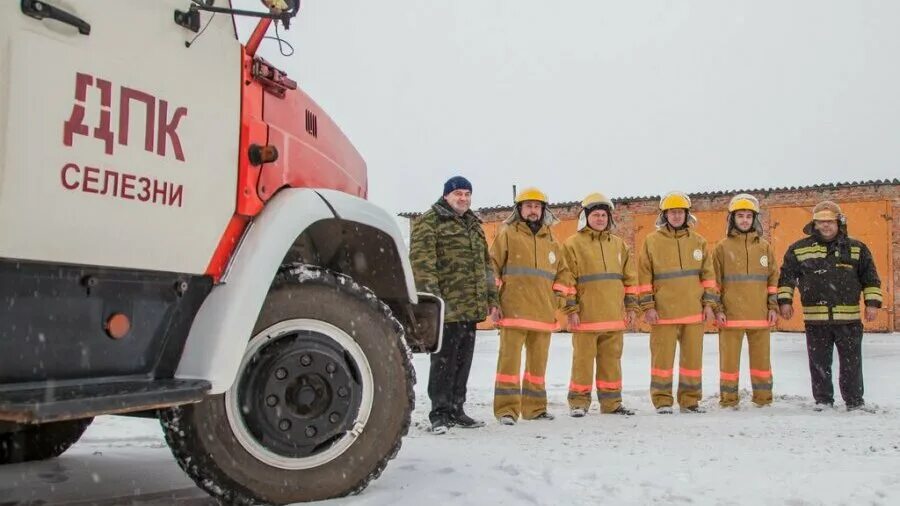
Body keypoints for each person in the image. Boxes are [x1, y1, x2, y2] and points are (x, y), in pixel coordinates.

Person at [409, 176, 500, 434]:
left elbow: (485, 266)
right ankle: (439, 413)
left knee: (463, 362)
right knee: (443, 362)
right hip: (446, 309)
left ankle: (457, 409)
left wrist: (491, 298)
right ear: (446, 195)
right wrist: (432, 304)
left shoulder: (473, 224)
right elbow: (422, 266)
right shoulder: (430, 221)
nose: (463, 198)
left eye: (467, 194)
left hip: (469, 309)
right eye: (458, 193)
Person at [777, 200, 882, 411]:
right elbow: (786, 278)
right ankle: (823, 401)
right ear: (814, 224)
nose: (826, 226)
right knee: (819, 364)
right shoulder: (799, 249)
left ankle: (854, 401)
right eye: (821, 222)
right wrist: (785, 301)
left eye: (830, 222)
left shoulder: (857, 249)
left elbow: (870, 279)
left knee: (852, 364)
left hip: (849, 319)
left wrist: (872, 304)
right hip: (816, 320)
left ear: (839, 222)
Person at [490, 187, 574, 425]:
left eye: (537, 206)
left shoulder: (552, 241)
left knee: (537, 366)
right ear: (519, 210)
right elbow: (492, 268)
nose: (533, 210)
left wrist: (556, 300)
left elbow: (563, 274)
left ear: (543, 210)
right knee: (509, 365)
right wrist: (494, 302)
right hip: (513, 311)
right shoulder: (507, 234)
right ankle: (506, 410)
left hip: (543, 313)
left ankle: (535, 409)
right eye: (528, 206)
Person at [638, 191, 718, 414]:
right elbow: (644, 277)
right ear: (664, 215)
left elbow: (709, 276)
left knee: (692, 361)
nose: (676, 216)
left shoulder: (699, 242)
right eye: (672, 212)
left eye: (680, 212)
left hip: (694, 312)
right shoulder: (651, 241)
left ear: (686, 214)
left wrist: (709, 304)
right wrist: (648, 306)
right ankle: (663, 400)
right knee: (662, 362)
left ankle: (690, 400)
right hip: (663, 313)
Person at [562, 193, 638, 417]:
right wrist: (571, 310)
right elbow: (568, 281)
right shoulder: (572, 244)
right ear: (586, 217)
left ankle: (612, 403)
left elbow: (630, 280)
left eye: (603, 215)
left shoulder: (619, 245)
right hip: (585, 317)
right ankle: (578, 403)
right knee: (582, 363)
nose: (600, 219)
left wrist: (631, 307)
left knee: (611, 363)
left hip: (614, 317)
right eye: (595, 215)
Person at [713, 194, 778, 408]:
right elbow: (716, 282)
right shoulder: (722, 248)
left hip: (760, 316)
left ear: (754, 219)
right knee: (729, 364)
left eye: (748, 216)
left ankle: (763, 399)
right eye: (740, 216)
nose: (744, 220)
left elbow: (772, 280)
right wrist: (718, 309)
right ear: (732, 219)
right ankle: (729, 400)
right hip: (730, 316)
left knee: (762, 363)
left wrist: (772, 306)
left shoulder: (765, 247)